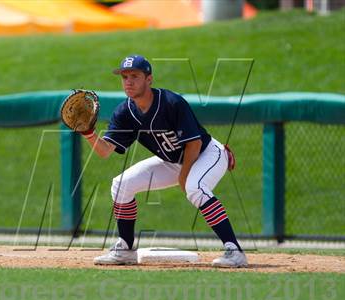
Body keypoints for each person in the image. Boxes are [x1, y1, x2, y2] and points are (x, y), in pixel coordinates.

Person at [82, 55, 247, 267]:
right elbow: (105, 151)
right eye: (124, 77)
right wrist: (88, 133)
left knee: (195, 187)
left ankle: (234, 250)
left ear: (149, 79)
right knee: (121, 184)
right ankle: (125, 248)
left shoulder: (171, 102)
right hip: (172, 160)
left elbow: (194, 144)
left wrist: (184, 175)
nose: (128, 81)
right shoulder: (124, 112)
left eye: (135, 76)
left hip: (207, 154)